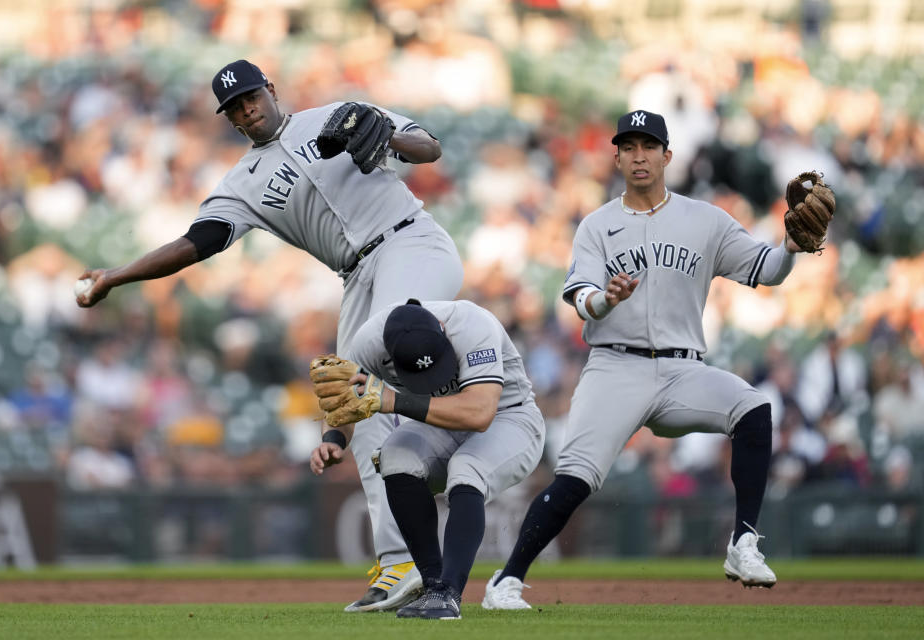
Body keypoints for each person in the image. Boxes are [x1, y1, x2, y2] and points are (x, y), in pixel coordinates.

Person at [75, 59, 464, 612]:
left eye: (251, 96)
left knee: (380, 353)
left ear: (270, 90)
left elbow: (429, 149)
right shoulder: (242, 184)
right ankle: (400, 561)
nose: (246, 108)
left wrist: (387, 136)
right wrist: (117, 275)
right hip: (356, 275)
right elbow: (198, 241)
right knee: (354, 406)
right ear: (229, 119)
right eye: (234, 107)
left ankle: (453, 424)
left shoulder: (335, 114)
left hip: (412, 242)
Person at [483, 109, 810, 610]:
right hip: (616, 367)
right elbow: (582, 297)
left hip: (683, 369)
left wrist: (789, 244)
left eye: (649, 146)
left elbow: (766, 270)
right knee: (574, 478)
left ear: (667, 155)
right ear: (616, 157)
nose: (639, 156)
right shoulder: (597, 226)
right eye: (629, 147)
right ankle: (506, 582)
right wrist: (607, 301)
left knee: (754, 409)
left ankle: (743, 543)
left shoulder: (704, 220)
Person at [310, 299, 546, 619]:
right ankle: (433, 586)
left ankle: (449, 594)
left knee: (467, 468)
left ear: (443, 331)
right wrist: (333, 439)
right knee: (394, 455)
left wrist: (391, 400)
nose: (433, 378)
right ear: (388, 353)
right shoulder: (368, 342)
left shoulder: (472, 324)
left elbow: (479, 413)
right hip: (441, 424)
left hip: (510, 419)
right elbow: (343, 400)